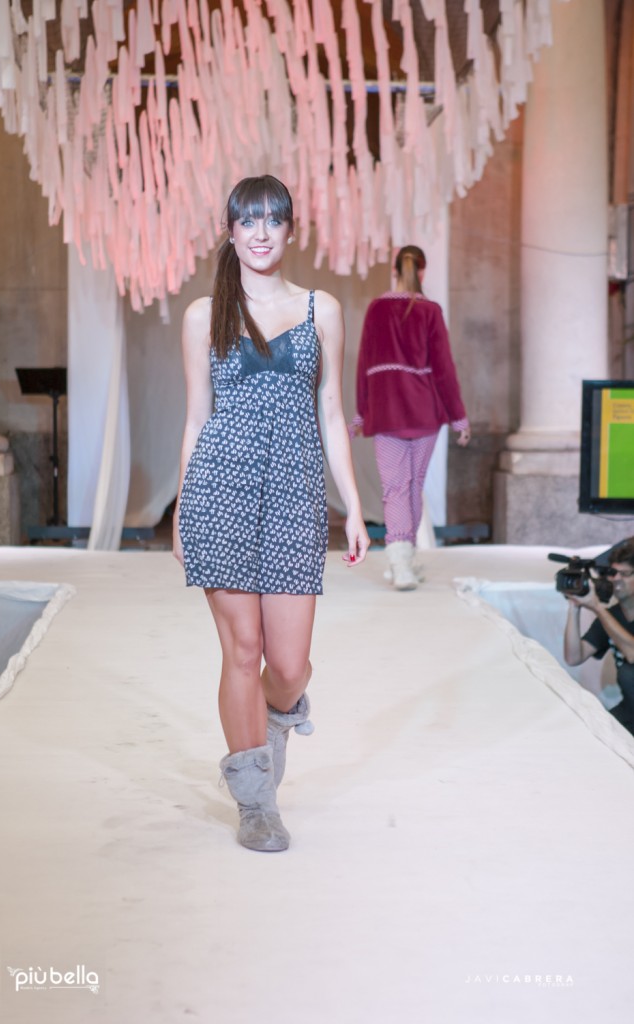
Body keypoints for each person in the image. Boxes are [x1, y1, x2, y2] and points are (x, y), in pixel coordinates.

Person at [172, 175, 369, 853]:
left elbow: (332, 414)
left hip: (294, 496)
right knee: (243, 650)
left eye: (273, 219)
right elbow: (196, 418)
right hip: (219, 493)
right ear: (230, 232)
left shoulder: (322, 310)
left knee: (287, 665)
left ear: (291, 229)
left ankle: (274, 721)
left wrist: (354, 507)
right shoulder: (204, 315)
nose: (260, 232)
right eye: (248, 220)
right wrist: (182, 510)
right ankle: (255, 799)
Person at [351, 245, 470, 590]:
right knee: (413, 486)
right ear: (422, 272)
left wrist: (361, 412)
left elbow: (365, 363)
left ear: (394, 270)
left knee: (395, 488)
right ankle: (404, 558)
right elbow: (444, 369)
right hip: (424, 411)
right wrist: (459, 417)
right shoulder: (430, 310)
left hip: (387, 411)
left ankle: (400, 560)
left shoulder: (376, 309)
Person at [564, 538, 634, 734]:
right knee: (588, 735)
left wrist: (597, 607)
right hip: (630, 710)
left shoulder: (605, 615)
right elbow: (574, 657)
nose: (615, 579)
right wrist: (574, 606)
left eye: (625, 574)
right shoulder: (611, 616)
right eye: (613, 573)